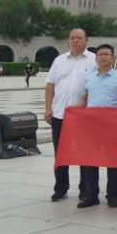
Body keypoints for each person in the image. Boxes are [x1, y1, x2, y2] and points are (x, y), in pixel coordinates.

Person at [45, 28, 97, 202]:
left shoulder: (94, 60)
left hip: (84, 116)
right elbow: (50, 85)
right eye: (72, 38)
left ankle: (85, 189)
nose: (75, 40)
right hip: (60, 114)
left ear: (86, 40)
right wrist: (48, 108)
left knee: (84, 153)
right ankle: (61, 188)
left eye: (79, 38)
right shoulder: (59, 60)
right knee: (60, 153)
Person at [76, 44, 117, 208]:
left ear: (112, 58)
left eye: (107, 54)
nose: (103, 57)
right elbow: (84, 98)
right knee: (91, 161)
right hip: (92, 125)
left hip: (112, 125)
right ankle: (91, 195)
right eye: (100, 54)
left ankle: (112, 195)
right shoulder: (89, 77)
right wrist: (74, 112)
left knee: (113, 161)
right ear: (96, 58)